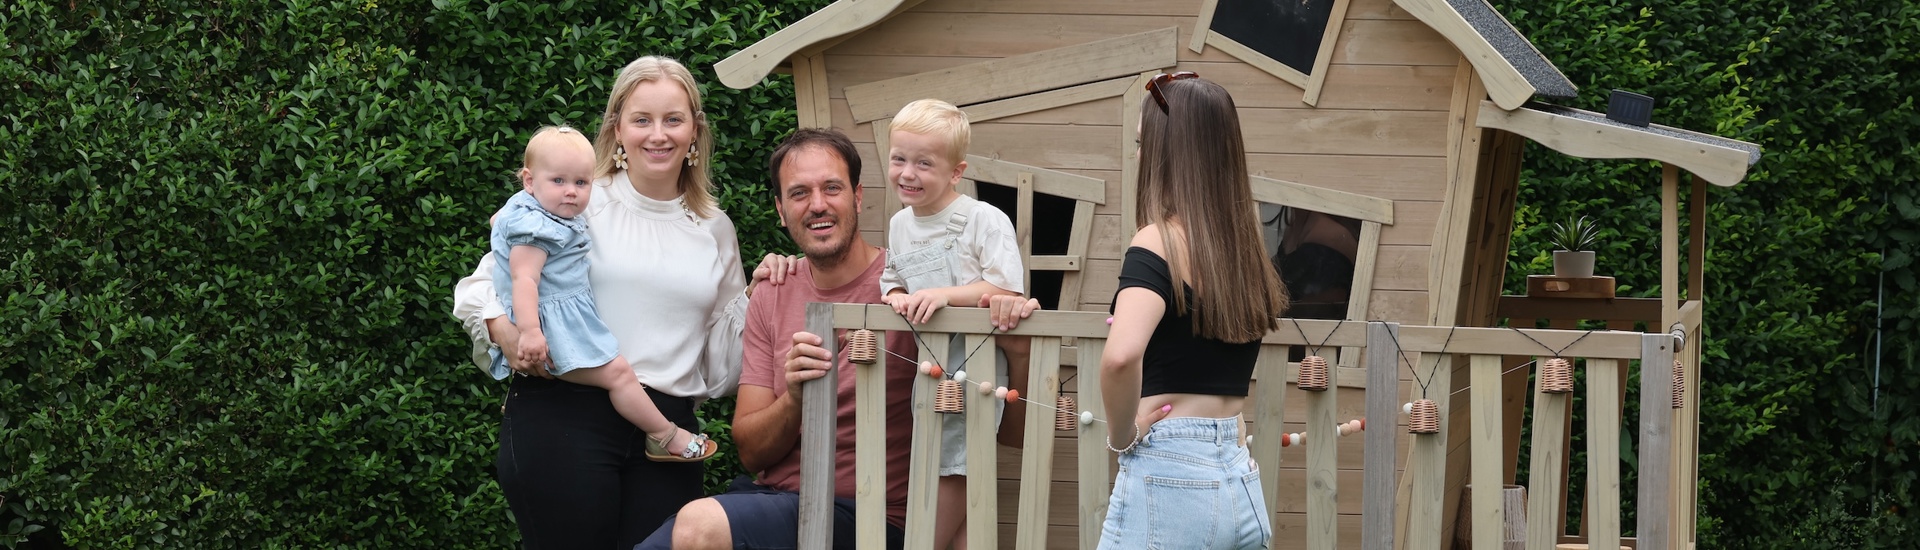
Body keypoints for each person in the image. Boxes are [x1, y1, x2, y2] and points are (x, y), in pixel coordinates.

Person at [636, 128, 1041, 550]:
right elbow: (752, 452)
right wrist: (794, 396)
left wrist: (1018, 351)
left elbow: (1008, 434)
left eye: (832, 188)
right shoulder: (772, 293)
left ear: (858, 197)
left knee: (699, 526)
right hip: (774, 502)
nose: (817, 205)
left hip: (873, 517)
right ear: (779, 209)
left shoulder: (913, 292)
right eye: (798, 193)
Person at [451, 55, 794, 548]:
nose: (659, 134)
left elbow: (720, 362)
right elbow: (485, 285)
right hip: (565, 416)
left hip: (669, 432)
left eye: (673, 119)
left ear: (695, 130)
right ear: (617, 128)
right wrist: (507, 333)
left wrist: (760, 293)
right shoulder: (579, 202)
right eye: (642, 119)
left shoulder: (715, 228)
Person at [1096, 72, 1288, 549]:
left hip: (1171, 475)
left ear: (1167, 152)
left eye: (1144, 142)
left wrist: (1122, 436)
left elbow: (1121, 357)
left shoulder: (1156, 241)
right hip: (1239, 478)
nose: (1138, 154)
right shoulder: (1244, 250)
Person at [486, 125, 714, 462]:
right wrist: (531, 332)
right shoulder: (536, 229)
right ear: (529, 181)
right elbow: (524, 280)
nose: (571, 193)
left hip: (558, 324)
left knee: (617, 375)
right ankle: (666, 436)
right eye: (558, 181)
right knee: (619, 375)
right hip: (552, 331)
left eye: (581, 183)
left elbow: (497, 222)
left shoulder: (525, 210)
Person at [876, 98, 1031, 549]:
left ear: (956, 172)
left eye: (924, 163)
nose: (908, 173)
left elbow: (1008, 291)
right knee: (954, 492)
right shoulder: (900, 225)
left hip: (977, 371)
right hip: (930, 373)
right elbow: (891, 280)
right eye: (899, 159)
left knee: (956, 469)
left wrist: (943, 295)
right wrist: (898, 297)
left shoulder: (983, 219)